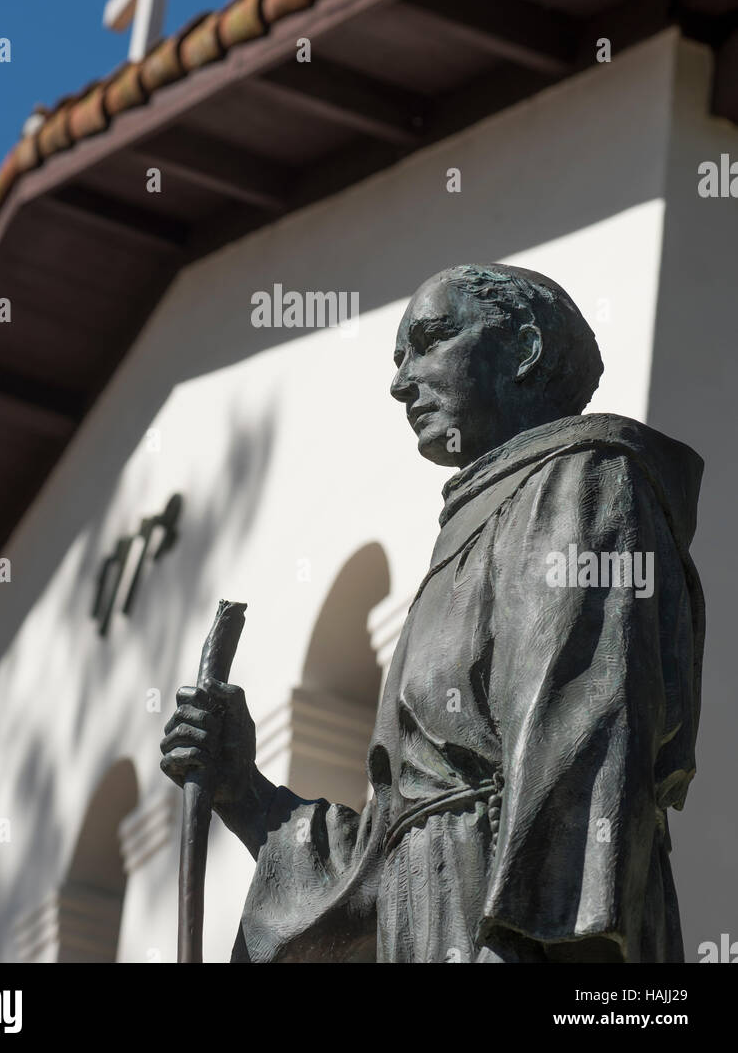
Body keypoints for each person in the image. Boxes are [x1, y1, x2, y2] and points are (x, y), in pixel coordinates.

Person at [161, 263, 705, 963]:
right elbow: (389, 855)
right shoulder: (471, 533)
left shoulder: (581, 482)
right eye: (397, 357)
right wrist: (246, 792)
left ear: (525, 351)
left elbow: (580, 750)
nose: (399, 382)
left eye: (430, 340)